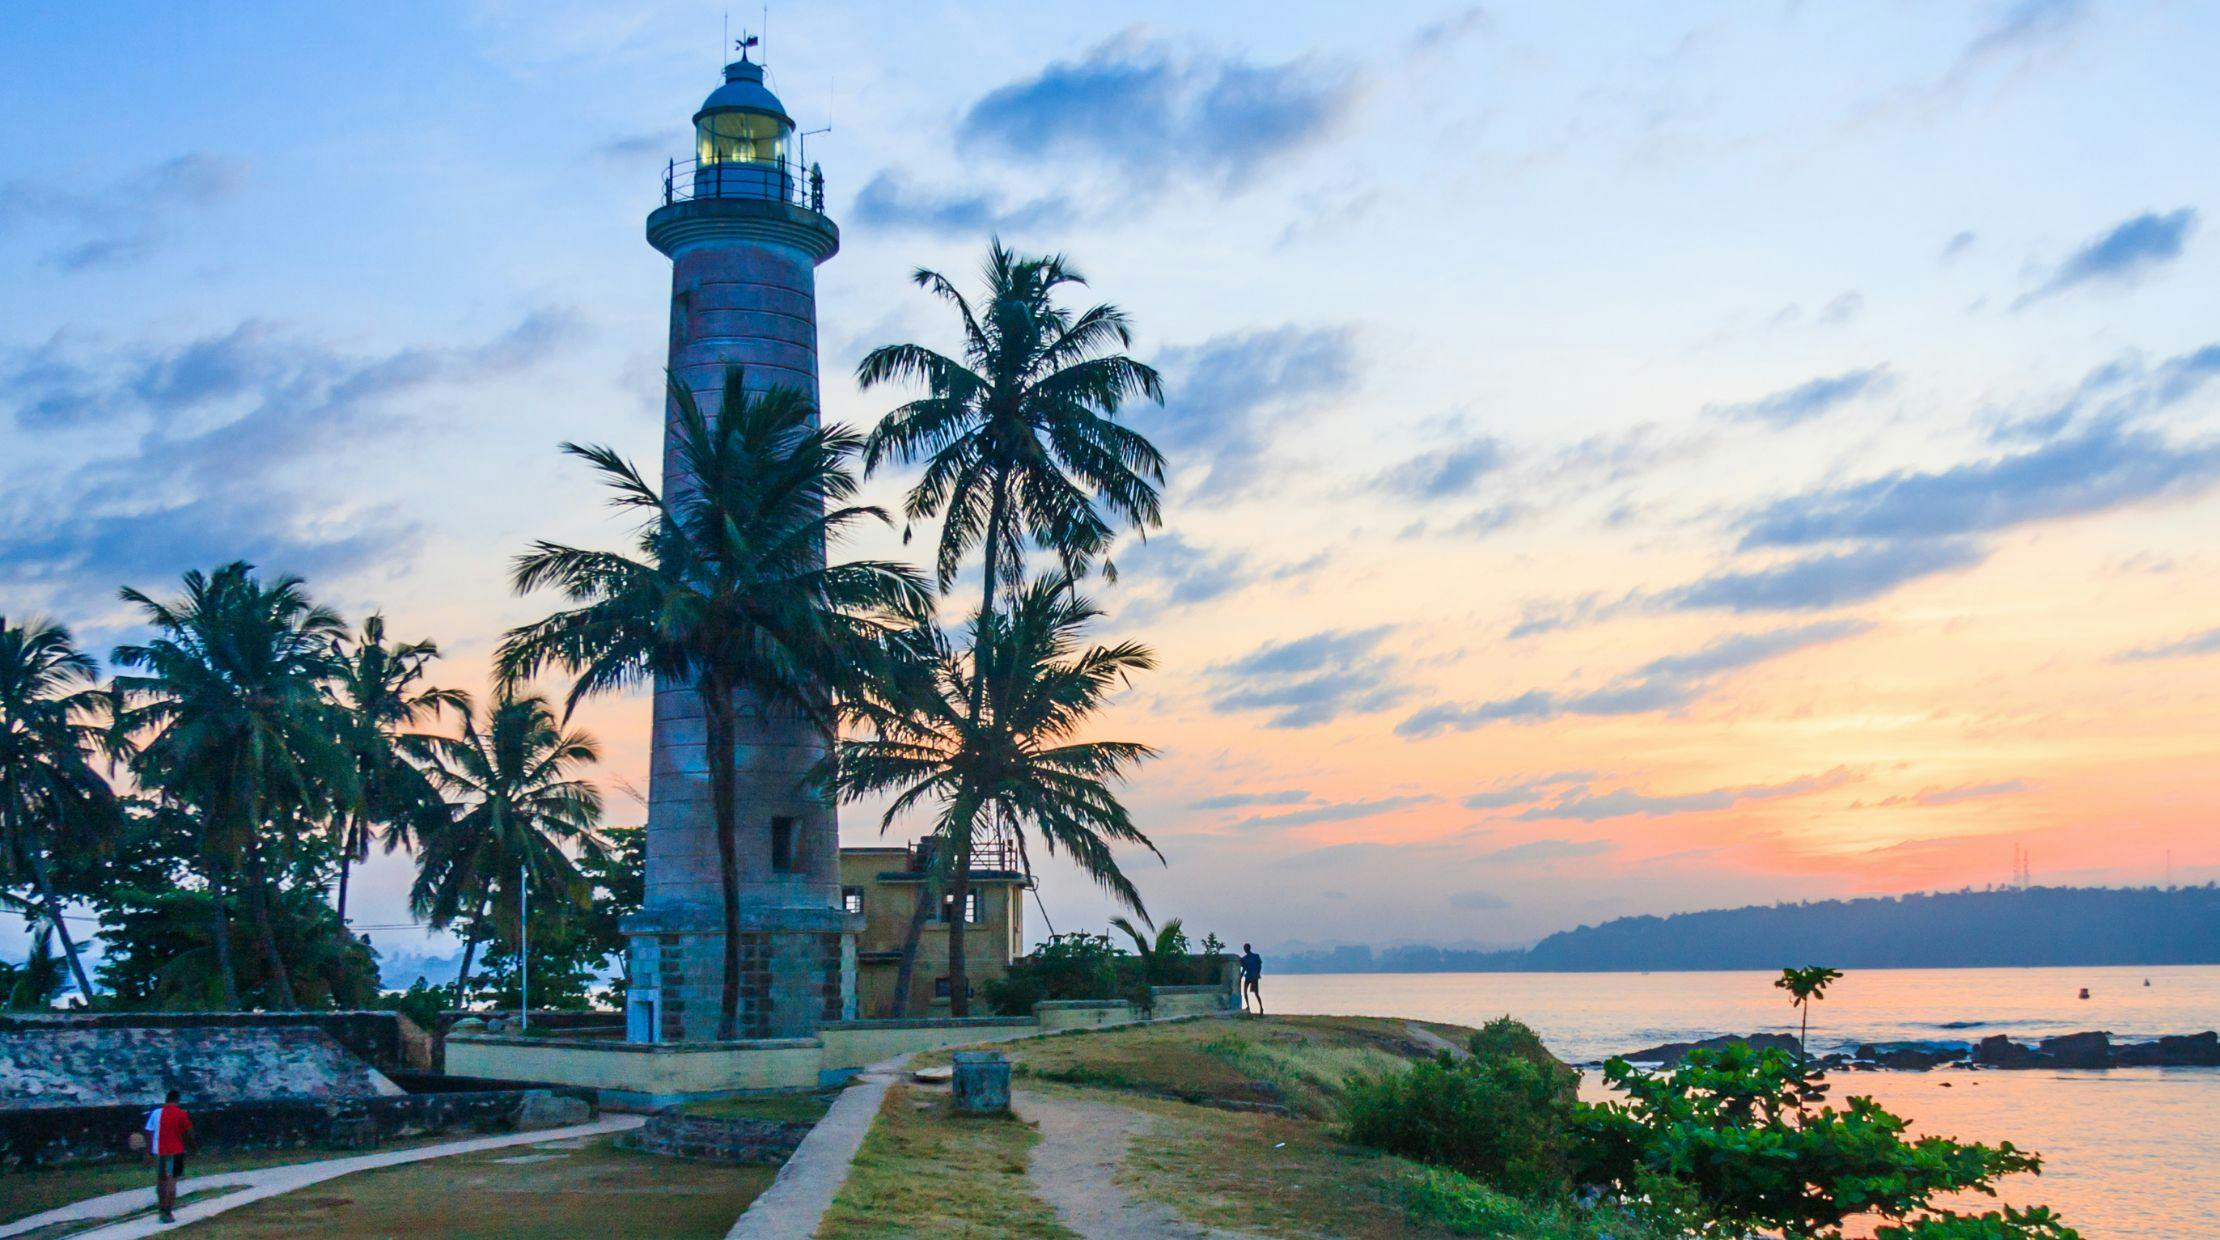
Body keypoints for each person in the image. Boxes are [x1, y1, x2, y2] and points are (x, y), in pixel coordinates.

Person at [145, 1088, 193, 1223]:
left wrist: (148, 1152)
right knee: (172, 1182)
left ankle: (161, 1210)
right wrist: (193, 1147)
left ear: (166, 1100)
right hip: (177, 1152)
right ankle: (168, 1211)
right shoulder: (181, 1113)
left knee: (161, 1181)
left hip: (160, 1152)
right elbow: (189, 1132)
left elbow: (148, 1132)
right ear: (177, 1100)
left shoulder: (155, 1113)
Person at [1238, 943, 1264, 1016]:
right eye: (1244, 948)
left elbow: (1259, 966)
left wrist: (1257, 973)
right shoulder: (1244, 959)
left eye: (1246, 948)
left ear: (1248, 948)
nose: (1245, 949)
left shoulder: (1255, 956)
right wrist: (1240, 977)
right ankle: (1248, 1006)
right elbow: (1244, 969)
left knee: (1256, 993)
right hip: (1248, 976)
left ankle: (1261, 1008)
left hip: (1254, 977)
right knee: (1245, 991)